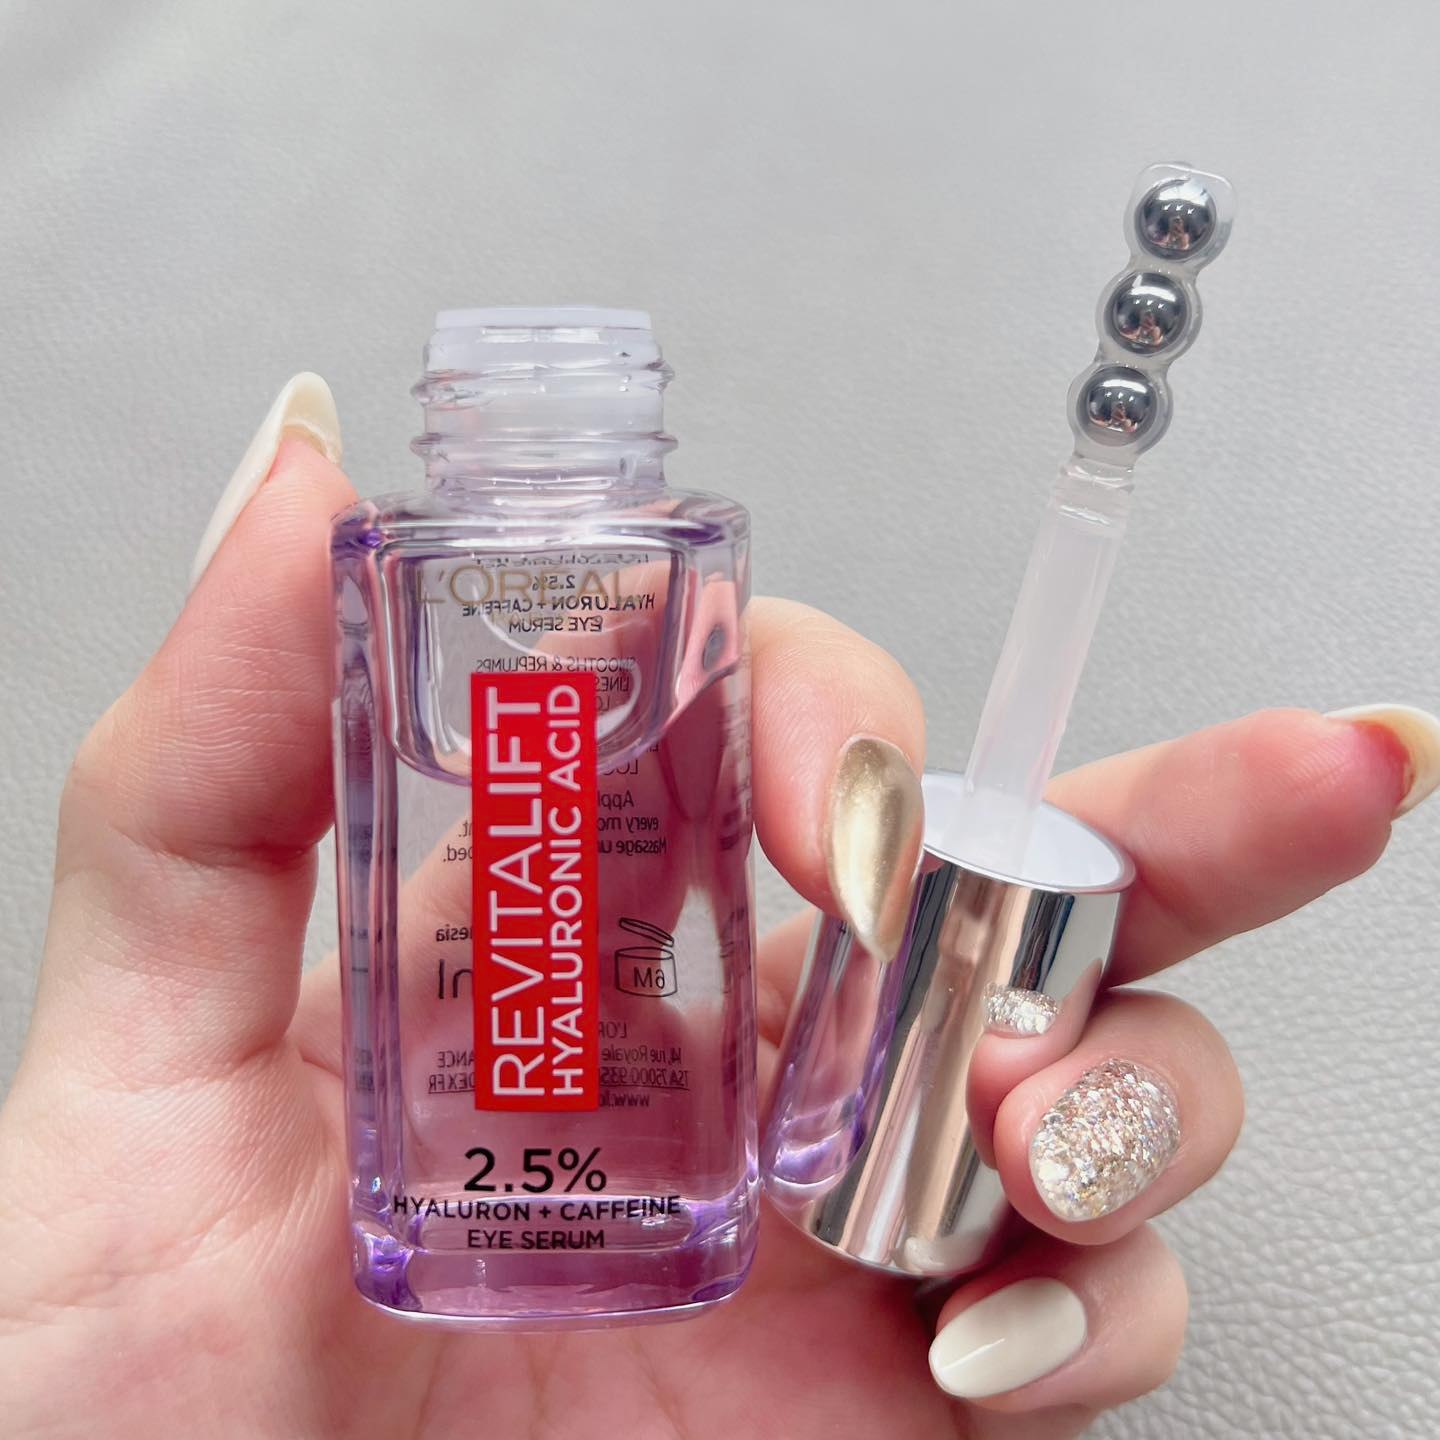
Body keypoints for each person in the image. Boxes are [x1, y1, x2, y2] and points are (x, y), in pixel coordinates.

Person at [2, 392, 1434, 1438]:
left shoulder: (679, 558)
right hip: (386, 1272)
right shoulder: (398, 566)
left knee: (808, 799)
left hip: (710, 1253)